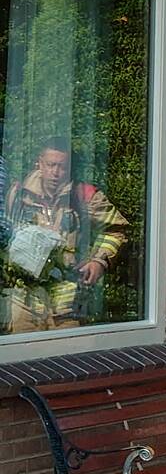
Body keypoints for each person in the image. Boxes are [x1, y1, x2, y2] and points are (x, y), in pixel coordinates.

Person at [2, 137, 126, 334]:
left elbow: (116, 229)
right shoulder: (18, 194)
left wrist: (98, 261)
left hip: (67, 299)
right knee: (23, 358)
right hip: (25, 298)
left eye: (62, 166)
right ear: (39, 163)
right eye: (51, 165)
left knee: (67, 358)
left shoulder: (84, 195)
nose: (55, 173)